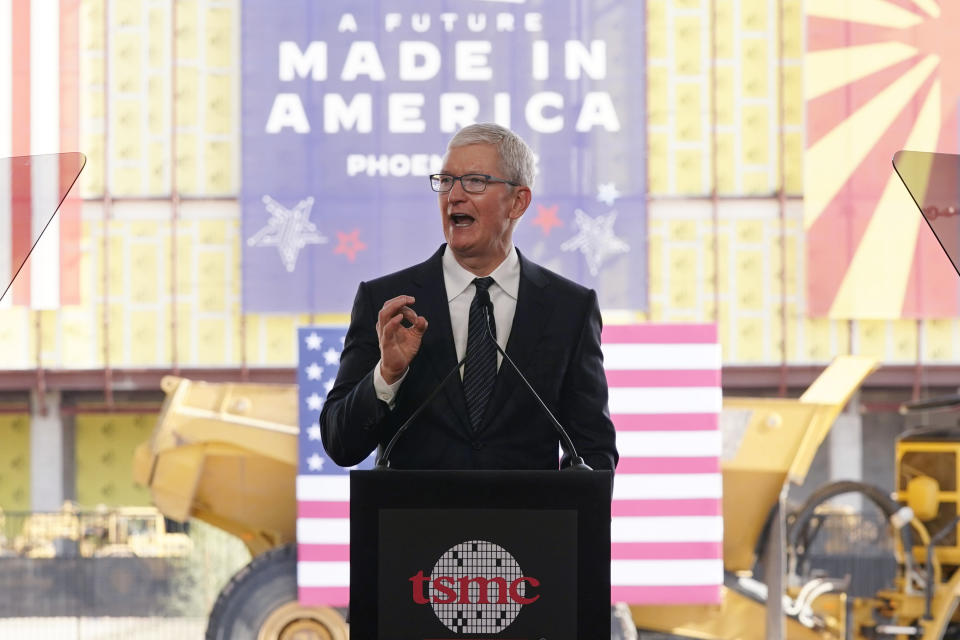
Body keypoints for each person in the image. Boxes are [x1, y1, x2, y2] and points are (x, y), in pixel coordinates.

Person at [319, 123, 618, 471]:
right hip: (414, 524)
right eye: (445, 181)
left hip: (530, 524)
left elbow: (593, 449)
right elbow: (340, 444)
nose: (454, 196)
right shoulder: (387, 302)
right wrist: (387, 375)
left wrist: (574, 522)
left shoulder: (569, 309)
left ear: (518, 202)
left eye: (475, 181)